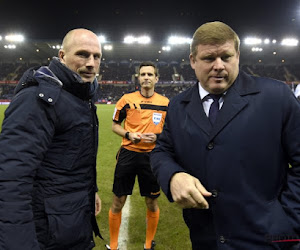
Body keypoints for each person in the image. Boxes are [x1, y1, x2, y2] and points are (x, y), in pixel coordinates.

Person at [150, 21, 300, 250]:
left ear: (237, 56)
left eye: (226, 57)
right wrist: (172, 176)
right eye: (209, 58)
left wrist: (286, 220)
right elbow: (162, 150)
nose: (218, 65)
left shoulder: (276, 96)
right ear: (193, 60)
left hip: (270, 240)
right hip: (205, 239)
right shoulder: (178, 106)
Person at [0, 28, 103, 249]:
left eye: (97, 56)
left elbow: (70, 161)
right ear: (62, 56)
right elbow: (12, 179)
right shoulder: (36, 99)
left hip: (70, 224)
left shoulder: (79, 97)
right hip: (47, 233)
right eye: (83, 54)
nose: (91, 63)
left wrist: (90, 191)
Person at [105, 61, 169, 250]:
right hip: (128, 155)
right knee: (118, 200)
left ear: (156, 78)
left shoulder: (166, 103)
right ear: (138, 78)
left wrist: (157, 136)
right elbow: (115, 125)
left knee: (151, 201)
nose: (146, 77)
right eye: (143, 74)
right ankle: (114, 245)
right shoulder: (126, 100)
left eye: (150, 74)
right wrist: (128, 134)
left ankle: (149, 244)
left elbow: (172, 132)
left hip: (152, 157)